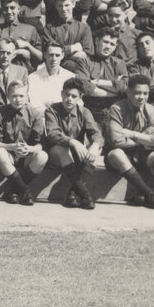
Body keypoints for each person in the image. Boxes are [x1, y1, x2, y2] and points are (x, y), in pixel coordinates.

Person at [103, 75, 154, 209]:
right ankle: (149, 193)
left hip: (142, 155)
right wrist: (144, 138)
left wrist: (132, 134)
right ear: (128, 92)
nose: (141, 97)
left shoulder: (150, 109)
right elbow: (116, 141)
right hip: (119, 158)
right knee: (117, 153)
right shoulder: (116, 108)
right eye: (137, 93)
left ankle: (139, 193)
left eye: (145, 93)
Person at [44, 78, 102, 210]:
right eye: (66, 94)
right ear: (61, 94)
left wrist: (95, 145)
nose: (69, 99)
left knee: (96, 149)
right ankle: (85, 195)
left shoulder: (84, 112)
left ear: (80, 97)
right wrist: (73, 142)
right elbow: (52, 134)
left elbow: (96, 133)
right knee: (62, 149)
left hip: (75, 157)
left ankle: (72, 194)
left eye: (74, 96)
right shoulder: (51, 110)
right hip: (56, 155)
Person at [0, 82, 48, 205]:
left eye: (21, 96)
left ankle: (15, 190)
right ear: (8, 97)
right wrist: (12, 146)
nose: (18, 100)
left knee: (43, 156)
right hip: (8, 155)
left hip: (27, 156)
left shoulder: (35, 114)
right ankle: (25, 190)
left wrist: (29, 149)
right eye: (14, 96)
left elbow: (39, 145)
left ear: (27, 96)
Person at [26, 41, 75, 113]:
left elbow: (77, 102)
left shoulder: (70, 77)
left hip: (65, 118)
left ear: (62, 55)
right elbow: (35, 104)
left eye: (57, 55)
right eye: (51, 55)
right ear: (45, 55)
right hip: (42, 119)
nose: (54, 59)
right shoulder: (33, 77)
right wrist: (52, 116)